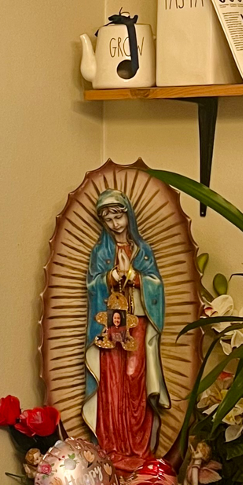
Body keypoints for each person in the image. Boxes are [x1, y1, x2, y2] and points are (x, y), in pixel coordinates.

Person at [83, 189, 170, 470]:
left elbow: (156, 284)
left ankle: (138, 446)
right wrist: (109, 277)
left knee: (134, 375)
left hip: (139, 320)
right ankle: (112, 445)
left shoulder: (142, 251)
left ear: (127, 215)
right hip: (112, 322)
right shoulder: (101, 252)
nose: (114, 224)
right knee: (112, 381)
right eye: (108, 219)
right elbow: (92, 284)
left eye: (118, 216)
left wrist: (134, 277)